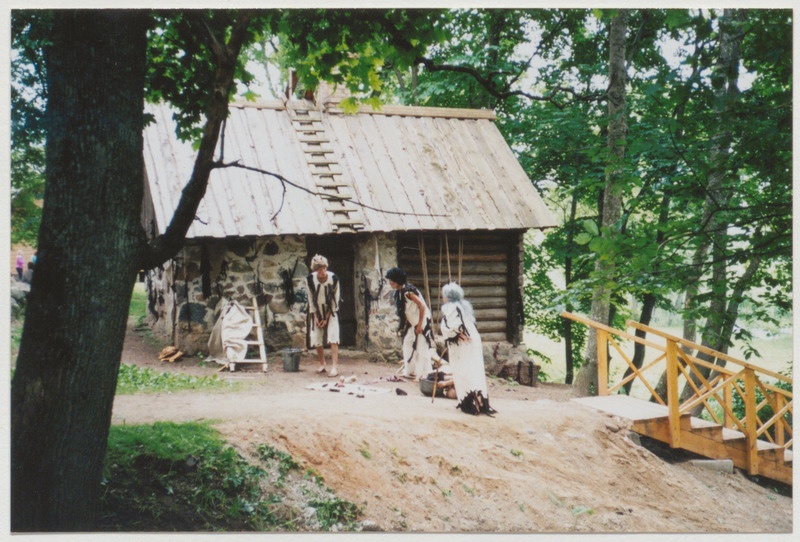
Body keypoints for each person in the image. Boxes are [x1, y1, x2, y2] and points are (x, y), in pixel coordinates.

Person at [439, 282, 495, 416]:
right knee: (474, 370)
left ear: (448, 296)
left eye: (443, 295)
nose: (442, 297)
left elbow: (451, 326)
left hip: (463, 344)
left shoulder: (451, 307)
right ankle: (479, 401)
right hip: (473, 342)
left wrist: (457, 334)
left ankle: (470, 402)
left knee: (463, 371)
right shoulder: (463, 307)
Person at [385, 267, 433, 380]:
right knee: (407, 344)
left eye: (392, 280)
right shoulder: (400, 292)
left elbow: (422, 307)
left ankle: (425, 374)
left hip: (421, 321)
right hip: (413, 323)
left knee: (422, 347)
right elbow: (405, 310)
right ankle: (410, 370)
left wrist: (420, 325)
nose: (390, 283)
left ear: (397, 280)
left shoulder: (408, 292)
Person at [306, 254, 341, 377]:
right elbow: (310, 299)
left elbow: (335, 300)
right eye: (319, 269)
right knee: (316, 337)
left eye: (324, 268)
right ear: (315, 270)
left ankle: (334, 367)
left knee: (333, 336)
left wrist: (326, 318)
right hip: (317, 310)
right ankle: (322, 364)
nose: (323, 271)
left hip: (331, 311)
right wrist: (316, 317)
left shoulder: (334, 279)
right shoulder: (310, 279)